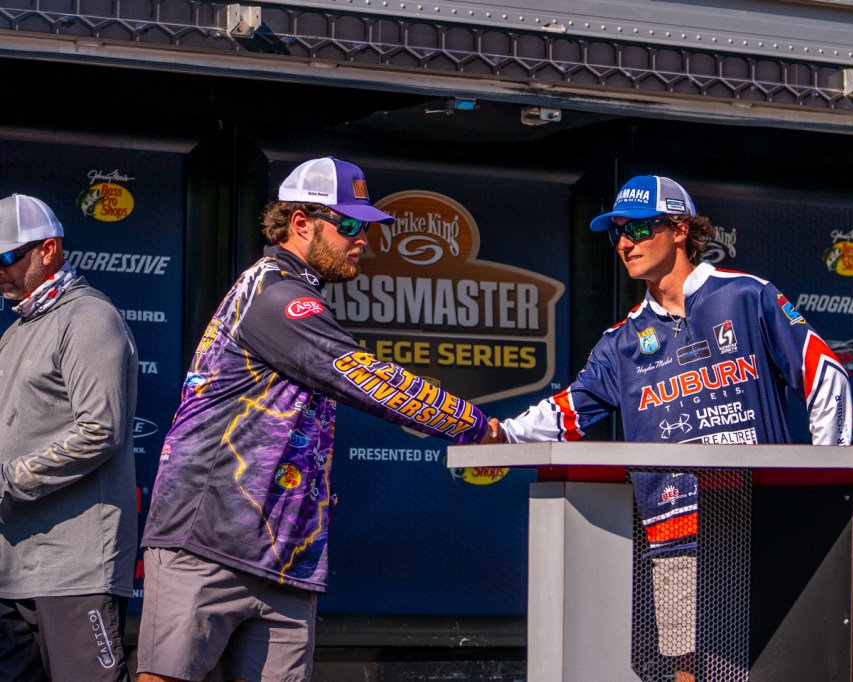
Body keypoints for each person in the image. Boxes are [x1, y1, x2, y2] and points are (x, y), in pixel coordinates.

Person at [136, 156, 501, 682]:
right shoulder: (276, 294)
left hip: (286, 556)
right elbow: (365, 377)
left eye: (367, 227)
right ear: (301, 223)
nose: (362, 239)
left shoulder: (298, 292)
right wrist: (475, 425)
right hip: (210, 540)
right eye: (349, 224)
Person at [491, 175, 852, 676]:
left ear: (680, 230)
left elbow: (824, 374)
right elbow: (568, 410)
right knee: (690, 671)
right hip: (675, 532)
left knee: (776, 663)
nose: (624, 243)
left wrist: (824, 484)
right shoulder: (622, 341)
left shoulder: (746, 296)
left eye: (638, 228)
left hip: (761, 520)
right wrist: (503, 436)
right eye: (617, 232)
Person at [0, 193, 139, 682]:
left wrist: (7, 479)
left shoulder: (88, 317)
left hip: (75, 572)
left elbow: (100, 429)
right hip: (13, 570)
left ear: (49, 249)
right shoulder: (16, 331)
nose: (0, 271)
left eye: (8, 257)